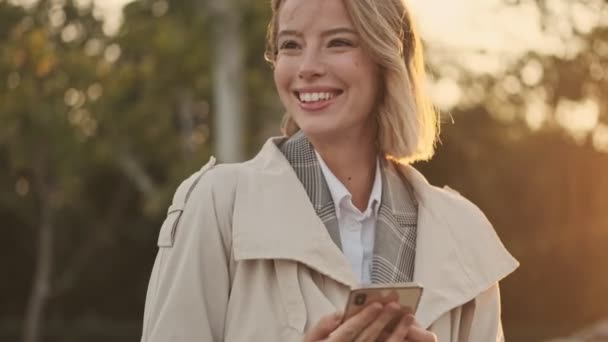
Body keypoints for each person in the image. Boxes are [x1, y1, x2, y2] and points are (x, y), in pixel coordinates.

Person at [140, 0, 519, 341]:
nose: (307, 68)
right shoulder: (218, 205)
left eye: (338, 42)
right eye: (290, 45)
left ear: (386, 56)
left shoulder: (462, 234)